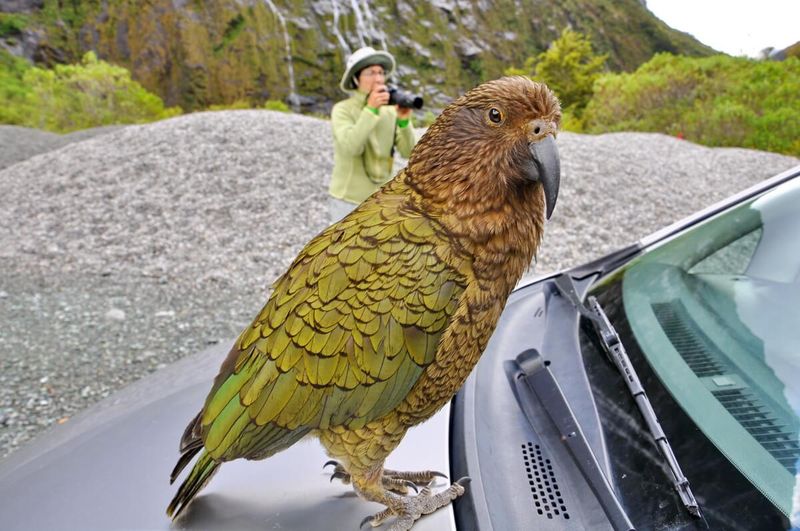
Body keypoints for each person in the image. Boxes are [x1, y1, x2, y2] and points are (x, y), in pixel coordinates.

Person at [328, 47, 417, 222]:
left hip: (383, 201)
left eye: (381, 72)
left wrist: (404, 122)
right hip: (347, 201)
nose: (378, 79)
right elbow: (351, 147)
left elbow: (410, 152)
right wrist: (371, 110)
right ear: (356, 78)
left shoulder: (391, 111)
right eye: (370, 73)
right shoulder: (342, 110)